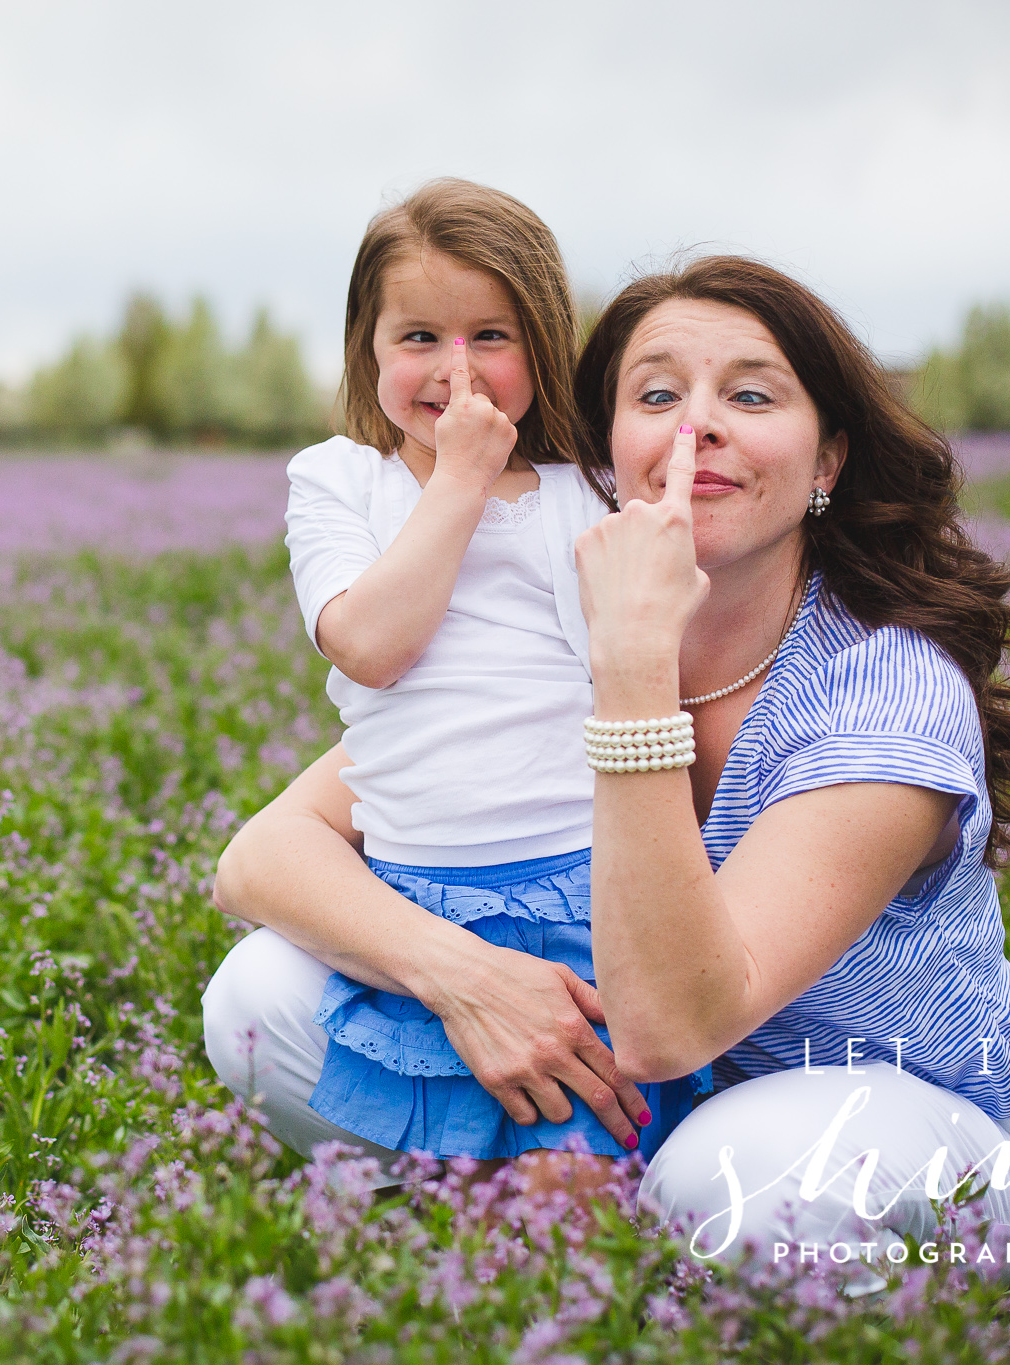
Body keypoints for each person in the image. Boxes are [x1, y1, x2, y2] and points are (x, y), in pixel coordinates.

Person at [204, 255, 1010, 1283]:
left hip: (875, 1111)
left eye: (748, 396)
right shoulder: (545, 638)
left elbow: (671, 1027)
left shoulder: (879, 691)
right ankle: (541, 1237)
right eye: (655, 395)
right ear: (606, 453)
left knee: (731, 1181)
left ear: (826, 461)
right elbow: (259, 859)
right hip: (632, 1094)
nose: (693, 426)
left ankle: (595, 1244)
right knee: (258, 992)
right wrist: (466, 978)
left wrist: (630, 664)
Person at [250, 178, 710, 1196]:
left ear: (541, 348)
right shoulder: (336, 481)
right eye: (416, 337)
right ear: (366, 352)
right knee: (454, 1169)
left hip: (580, 889)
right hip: (418, 899)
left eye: (489, 336)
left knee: (565, 1187)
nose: (454, 372)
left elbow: (631, 658)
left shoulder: (577, 490)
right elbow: (369, 647)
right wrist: (456, 481)